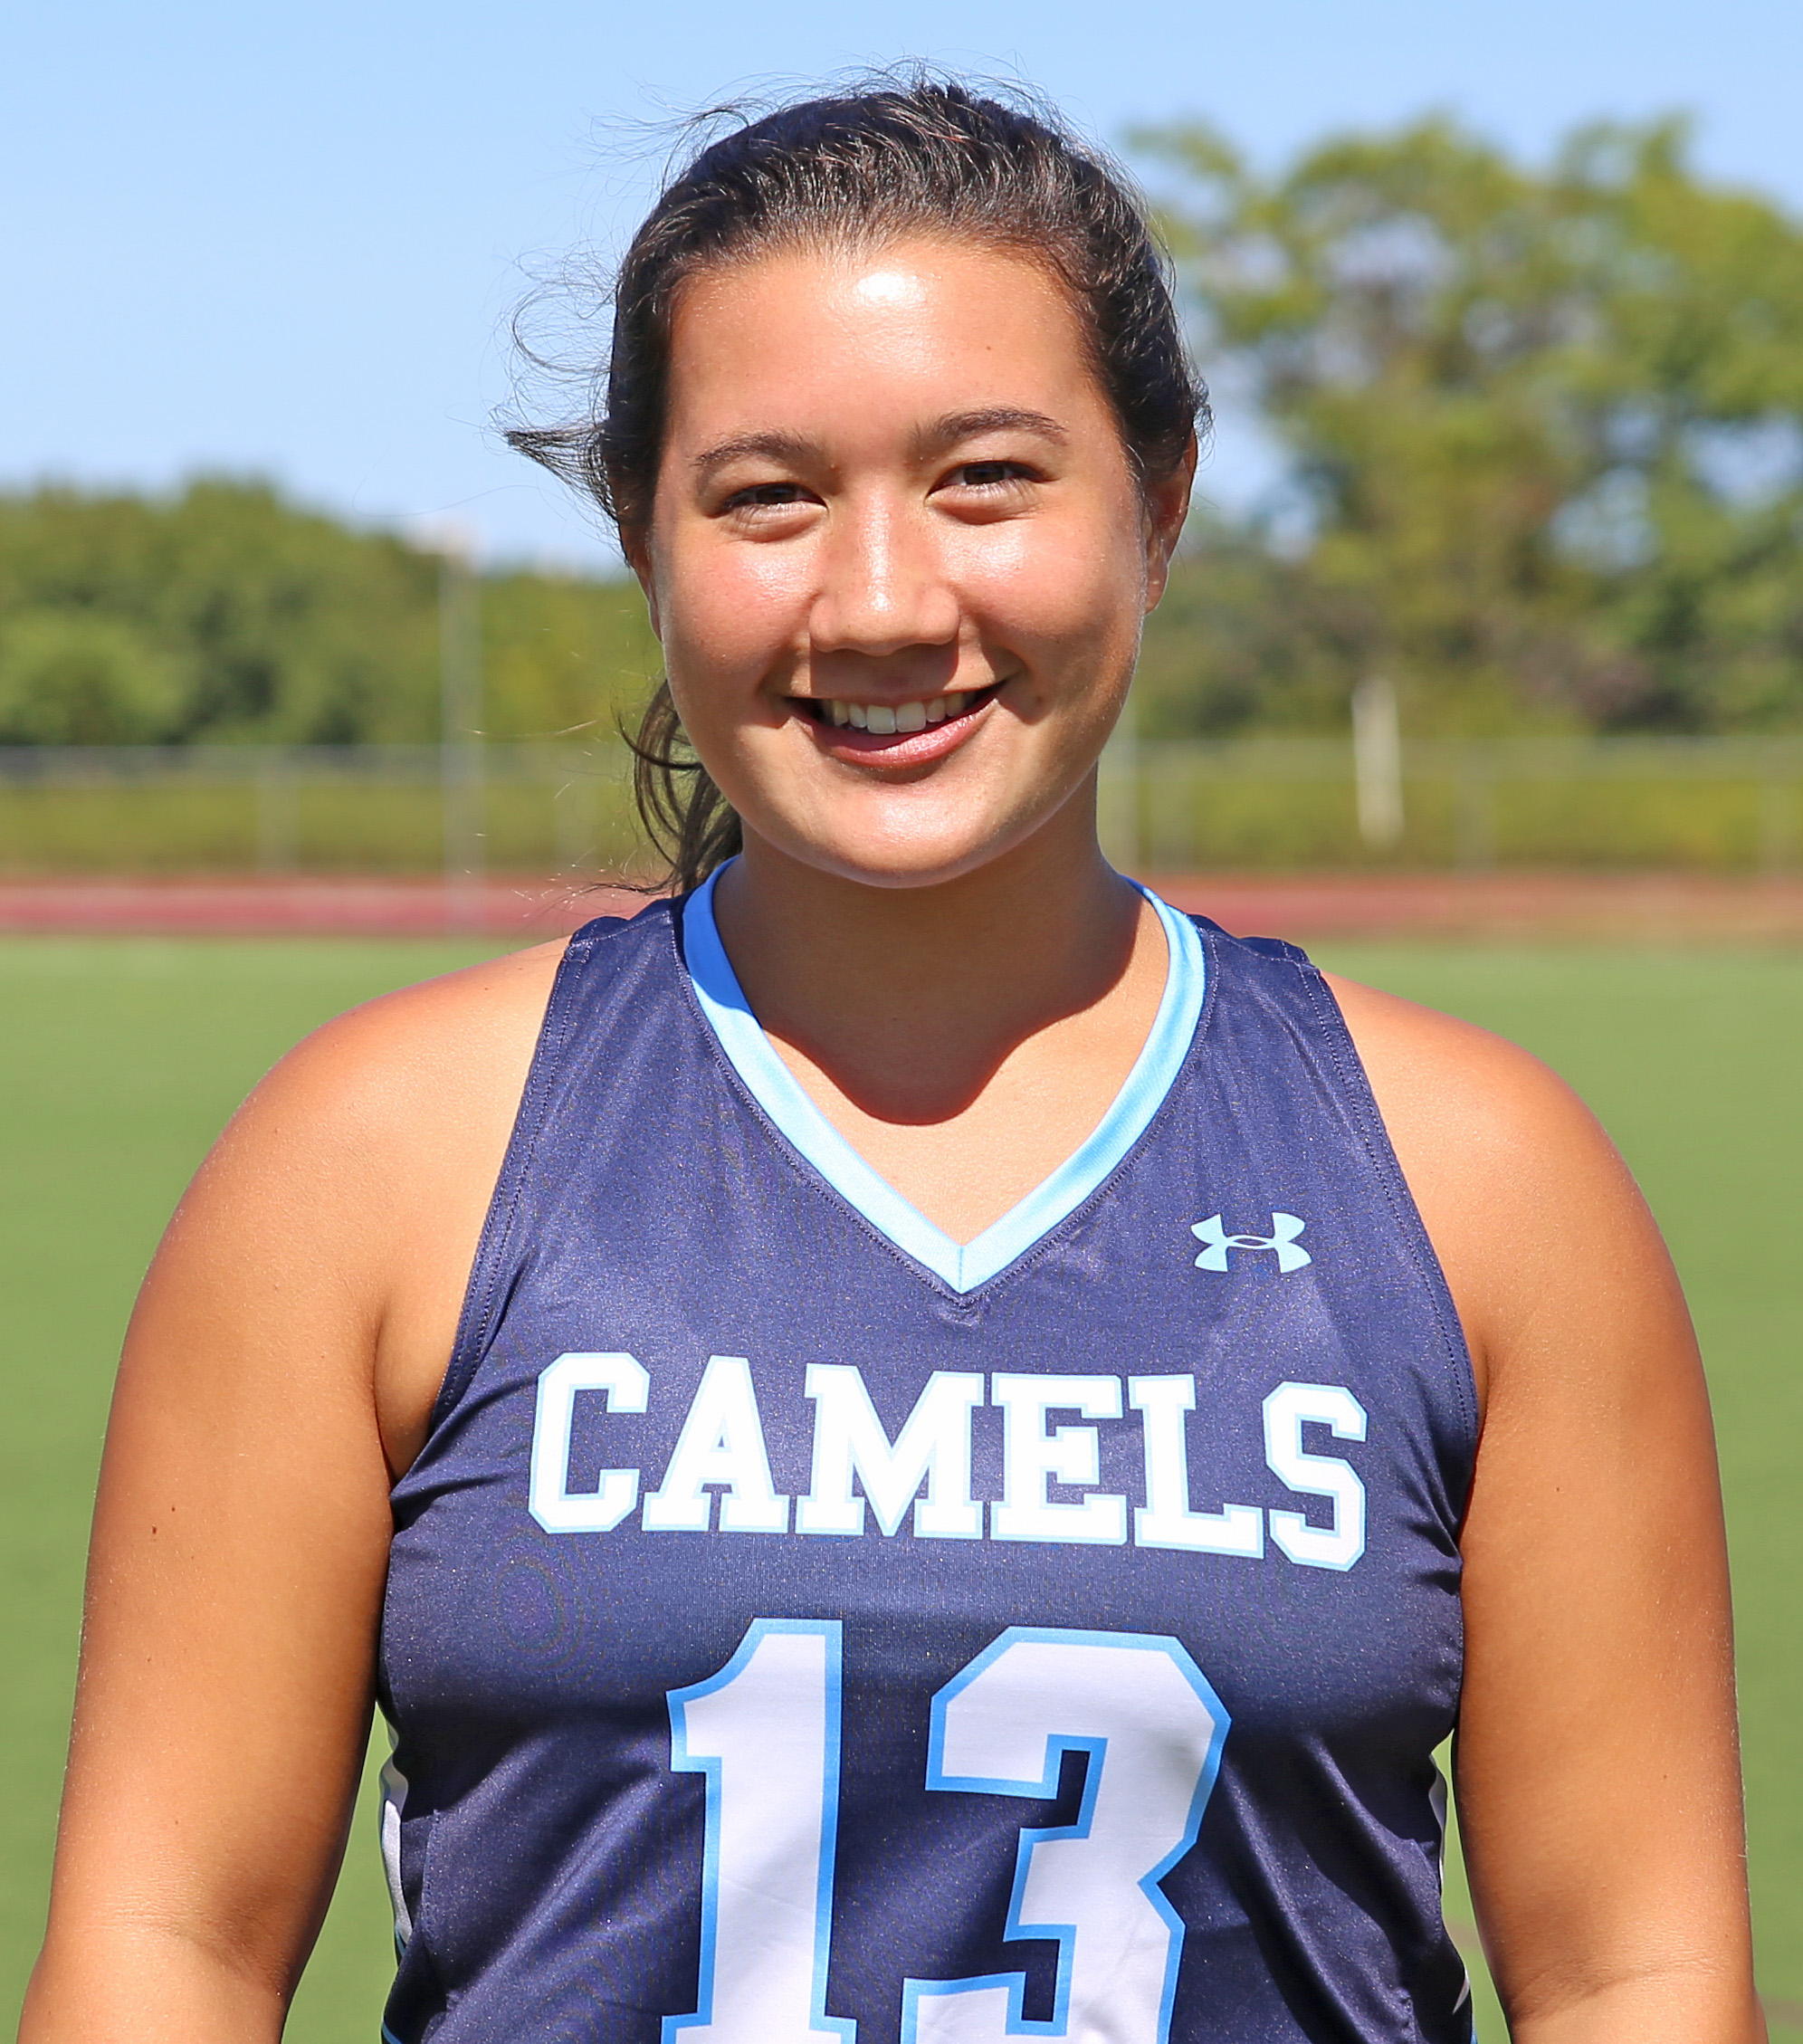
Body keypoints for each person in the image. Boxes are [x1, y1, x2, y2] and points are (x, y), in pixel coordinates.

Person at [23, 78, 1763, 2044]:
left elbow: (1635, 1974)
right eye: (767, 496)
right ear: (641, 534)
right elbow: (165, 1949)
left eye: (986, 478)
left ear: (1163, 501)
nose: (879, 601)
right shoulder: (375, 1161)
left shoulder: (1479, 1179)